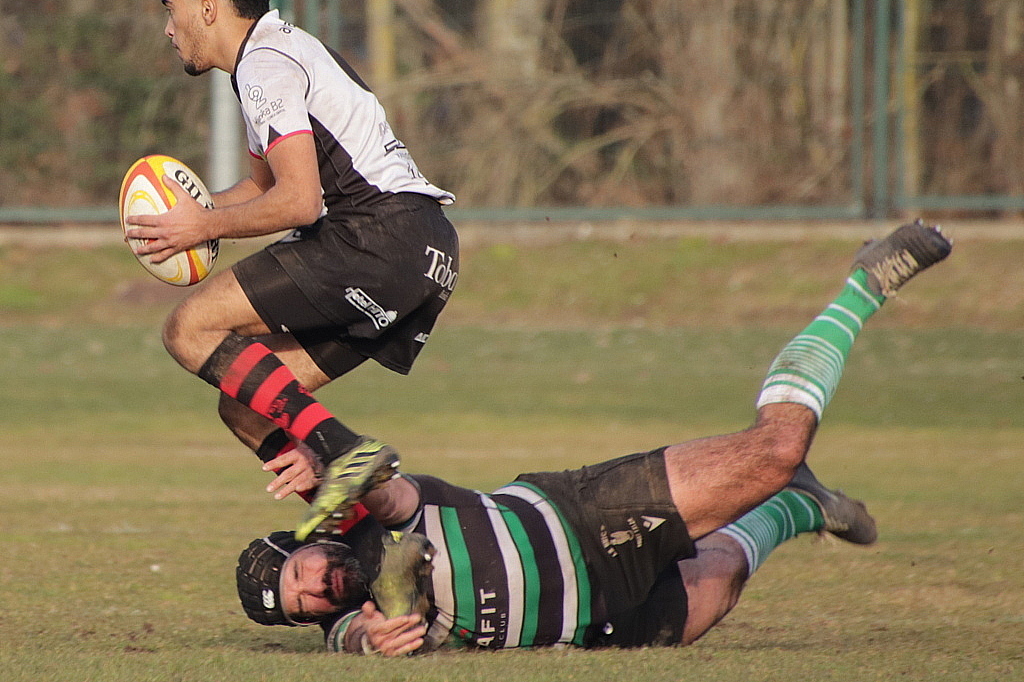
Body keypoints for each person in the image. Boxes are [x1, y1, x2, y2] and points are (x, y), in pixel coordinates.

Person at [234, 221, 952, 655]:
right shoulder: (347, 627)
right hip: (598, 616)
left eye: (303, 574)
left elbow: (388, 489)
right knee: (724, 574)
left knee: (775, 449)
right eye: (308, 604)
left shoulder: (355, 511)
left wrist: (323, 452)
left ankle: (863, 285)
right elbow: (363, 639)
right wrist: (378, 632)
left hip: (579, 515)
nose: (319, 587)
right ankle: (802, 506)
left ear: (306, 542)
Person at [124, 0, 458, 536]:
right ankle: (383, 552)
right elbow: (260, 189)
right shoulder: (278, 52)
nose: (169, 29)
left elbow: (300, 202)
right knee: (244, 404)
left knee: (189, 327)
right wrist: (188, 219)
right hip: (425, 252)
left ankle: (344, 446)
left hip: (375, 239)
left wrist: (201, 224)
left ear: (208, 8)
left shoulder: (265, 67)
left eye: (171, 10)